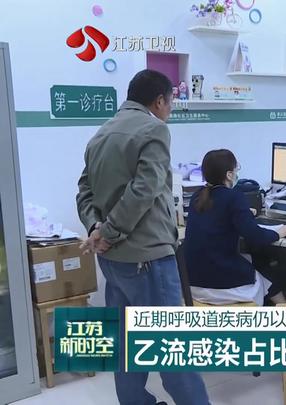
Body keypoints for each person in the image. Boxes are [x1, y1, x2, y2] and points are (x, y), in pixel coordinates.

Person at [76, 69, 210, 405]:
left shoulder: (102, 133)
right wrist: (108, 232)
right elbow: (144, 189)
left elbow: (84, 190)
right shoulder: (154, 129)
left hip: (112, 261)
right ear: (160, 100)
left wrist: (95, 229)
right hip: (147, 259)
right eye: (171, 102)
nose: (170, 110)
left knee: (126, 345)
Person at [184, 149, 286, 306]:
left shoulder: (197, 197)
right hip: (221, 287)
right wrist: (280, 232)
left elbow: (218, 216)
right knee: (265, 268)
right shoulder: (233, 197)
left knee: (255, 262)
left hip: (193, 285)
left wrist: (244, 213)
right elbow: (255, 236)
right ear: (229, 175)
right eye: (236, 169)